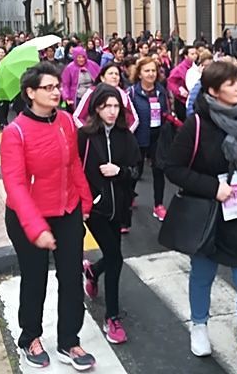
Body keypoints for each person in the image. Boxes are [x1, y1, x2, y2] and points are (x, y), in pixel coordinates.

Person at [164, 61, 237, 374]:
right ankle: (199, 325)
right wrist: (212, 187)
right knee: (202, 273)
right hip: (209, 213)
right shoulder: (198, 124)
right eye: (229, 84)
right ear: (214, 91)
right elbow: (173, 168)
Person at [0, 61, 96, 370]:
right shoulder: (15, 133)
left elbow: (74, 165)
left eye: (57, 86)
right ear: (30, 93)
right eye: (49, 87)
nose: (56, 92)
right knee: (35, 278)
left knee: (71, 277)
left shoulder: (67, 122)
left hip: (66, 212)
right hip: (28, 219)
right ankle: (30, 337)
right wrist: (35, 226)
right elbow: (14, 185)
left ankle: (69, 340)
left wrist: (84, 203)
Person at [79, 84, 139, 344]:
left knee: (113, 254)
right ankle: (111, 317)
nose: (112, 111)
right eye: (107, 106)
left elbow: (136, 170)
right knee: (116, 257)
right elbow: (75, 171)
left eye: (116, 106)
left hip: (119, 208)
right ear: (96, 107)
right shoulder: (84, 136)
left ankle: (92, 271)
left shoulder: (126, 136)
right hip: (96, 210)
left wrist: (120, 172)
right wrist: (85, 203)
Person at [128, 56, 170, 223]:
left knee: (159, 171)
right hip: (138, 137)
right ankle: (129, 198)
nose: (151, 74)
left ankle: (158, 205)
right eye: (147, 71)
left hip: (158, 136)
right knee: (135, 172)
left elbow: (166, 111)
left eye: (153, 70)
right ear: (139, 74)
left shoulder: (161, 91)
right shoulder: (131, 92)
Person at [62, 46, 100, 111]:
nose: (81, 59)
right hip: (78, 98)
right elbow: (65, 84)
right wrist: (67, 97)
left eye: (83, 57)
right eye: (79, 57)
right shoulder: (69, 68)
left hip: (92, 97)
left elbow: (100, 77)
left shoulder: (92, 65)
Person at [167, 45, 198, 121]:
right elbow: (171, 81)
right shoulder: (179, 68)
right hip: (182, 101)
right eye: (192, 54)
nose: (195, 56)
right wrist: (179, 91)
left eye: (195, 53)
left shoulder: (196, 66)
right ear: (186, 56)